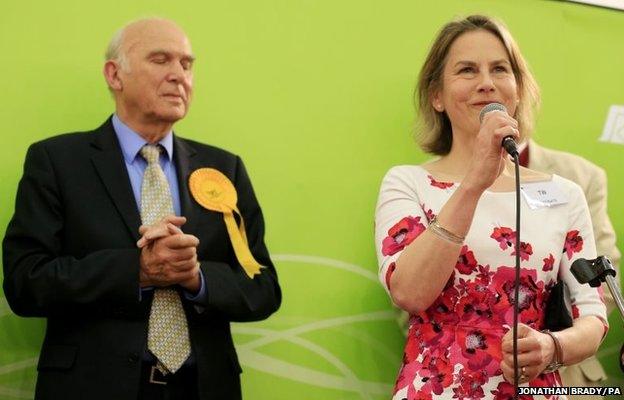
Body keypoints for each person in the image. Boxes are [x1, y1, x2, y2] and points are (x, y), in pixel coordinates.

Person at [2, 18, 281, 400]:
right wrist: (139, 271)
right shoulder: (57, 161)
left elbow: (262, 288)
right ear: (114, 74)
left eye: (186, 64)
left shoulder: (223, 168)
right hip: (91, 386)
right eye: (161, 60)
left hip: (202, 387)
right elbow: (25, 282)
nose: (178, 76)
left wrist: (196, 278)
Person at [374, 15, 607, 399]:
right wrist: (475, 182)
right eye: (467, 70)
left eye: (500, 69)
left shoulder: (564, 192)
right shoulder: (407, 182)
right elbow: (410, 293)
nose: (486, 82)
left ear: (516, 90)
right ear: (437, 95)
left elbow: (593, 314)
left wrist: (553, 348)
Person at [521, 139, 621, 396]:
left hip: (567, 374)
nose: (491, 96)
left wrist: (556, 345)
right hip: (461, 372)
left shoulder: (581, 176)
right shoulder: (431, 182)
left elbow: (603, 278)